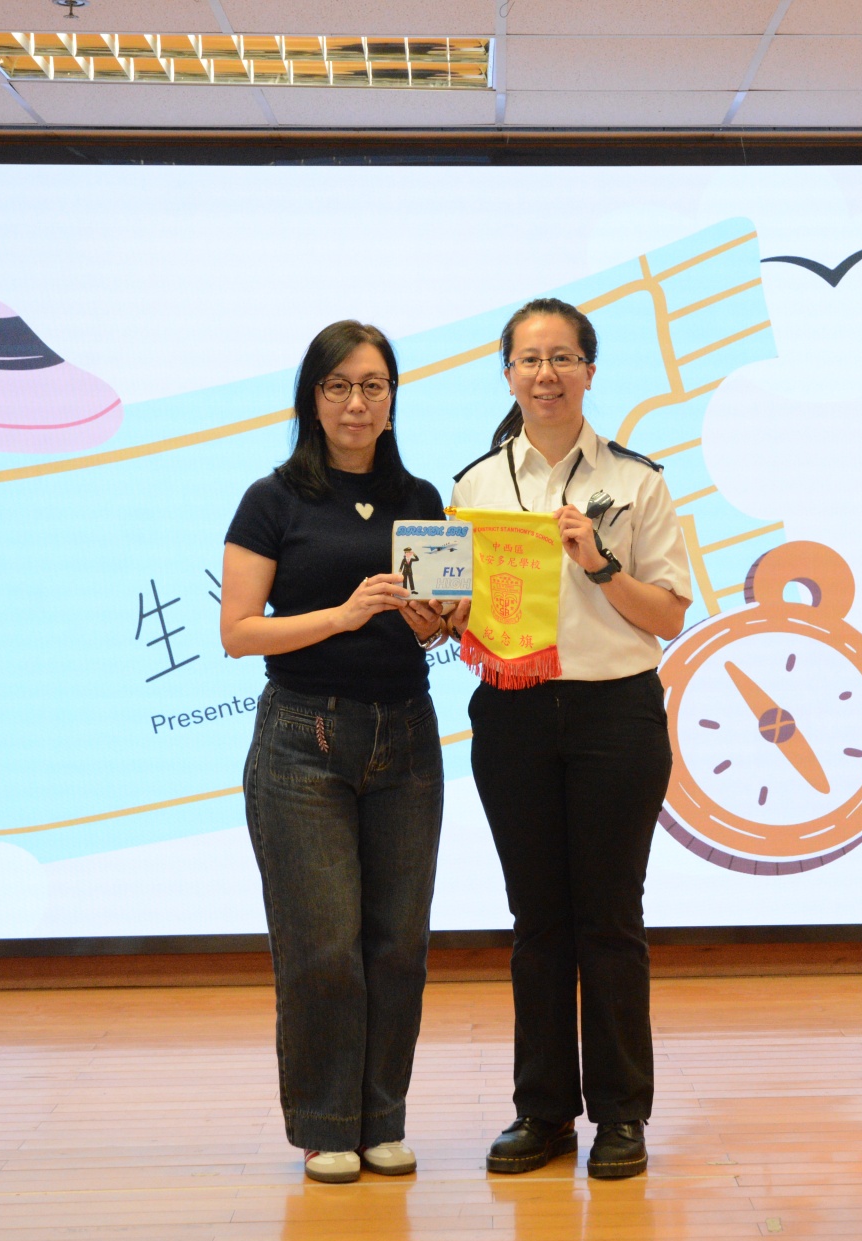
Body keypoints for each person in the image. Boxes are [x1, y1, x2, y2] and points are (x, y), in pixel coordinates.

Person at [448, 298, 693, 1179]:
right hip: (512, 713)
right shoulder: (474, 487)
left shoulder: (638, 482)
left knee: (610, 918)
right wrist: (437, 612)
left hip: (613, 714)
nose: (545, 374)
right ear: (507, 374)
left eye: (562, 358)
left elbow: (667, 615)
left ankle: (622, 1116)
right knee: (537, 920)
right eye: (528, 359)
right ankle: (543, 1111)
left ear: (590, 371)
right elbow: (458, 609)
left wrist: (599, 562)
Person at [220, 320, 450, 1185]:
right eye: (339, 386)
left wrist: (432, 623)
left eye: (373, 386)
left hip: (407, 735)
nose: (357, 403)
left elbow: (437, 627)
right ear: (312, 399)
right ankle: (327, 1127)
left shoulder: (421, 498)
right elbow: (239, 632)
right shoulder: (272, 499)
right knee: (323, 947)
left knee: (397, 946)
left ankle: (382, 1119)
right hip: (302, 741)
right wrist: (345, 615)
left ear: (393, 400)